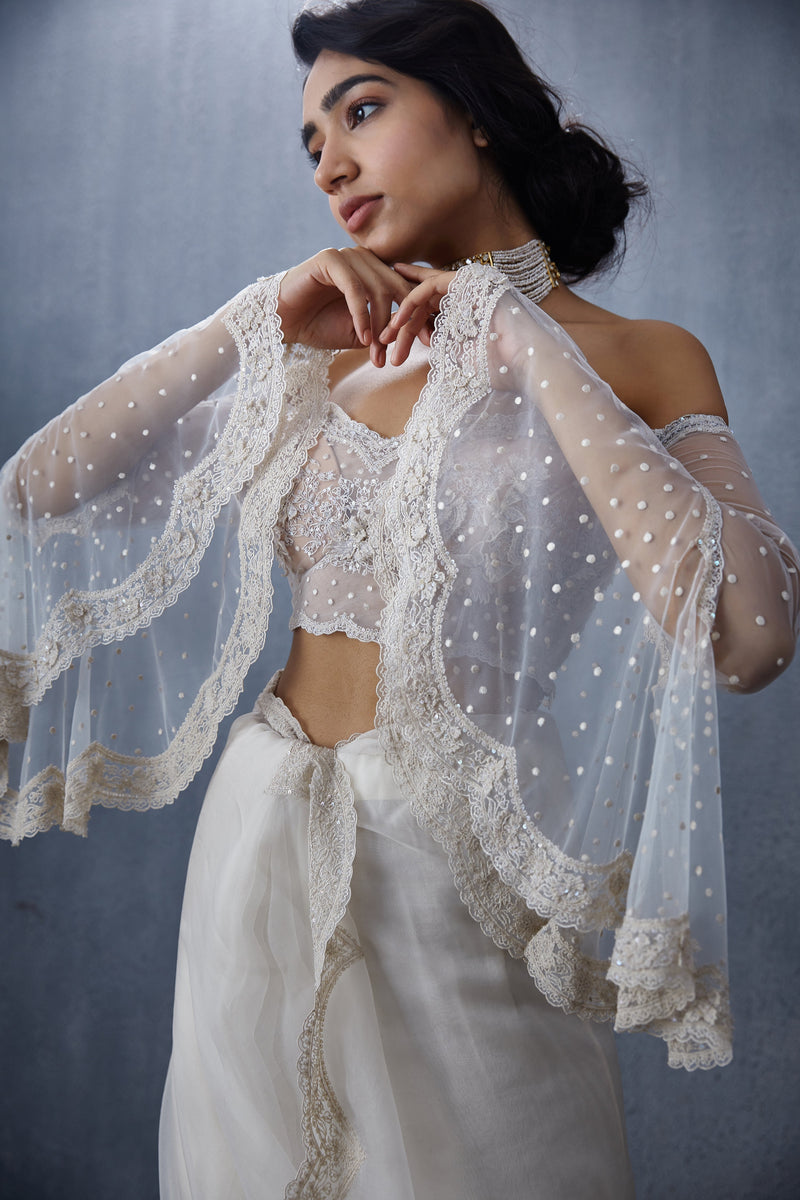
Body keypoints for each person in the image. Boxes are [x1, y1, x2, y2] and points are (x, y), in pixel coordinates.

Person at [1, 0, 797, 1196]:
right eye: (311, 142)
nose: (330, 162)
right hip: (258, 834)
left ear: (472, 110)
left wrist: (524, 341)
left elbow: (750, 636)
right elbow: (36, 491)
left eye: (360, 110)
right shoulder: (331, 351)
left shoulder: (642, 356)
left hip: (462, 871)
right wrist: (260, 319)